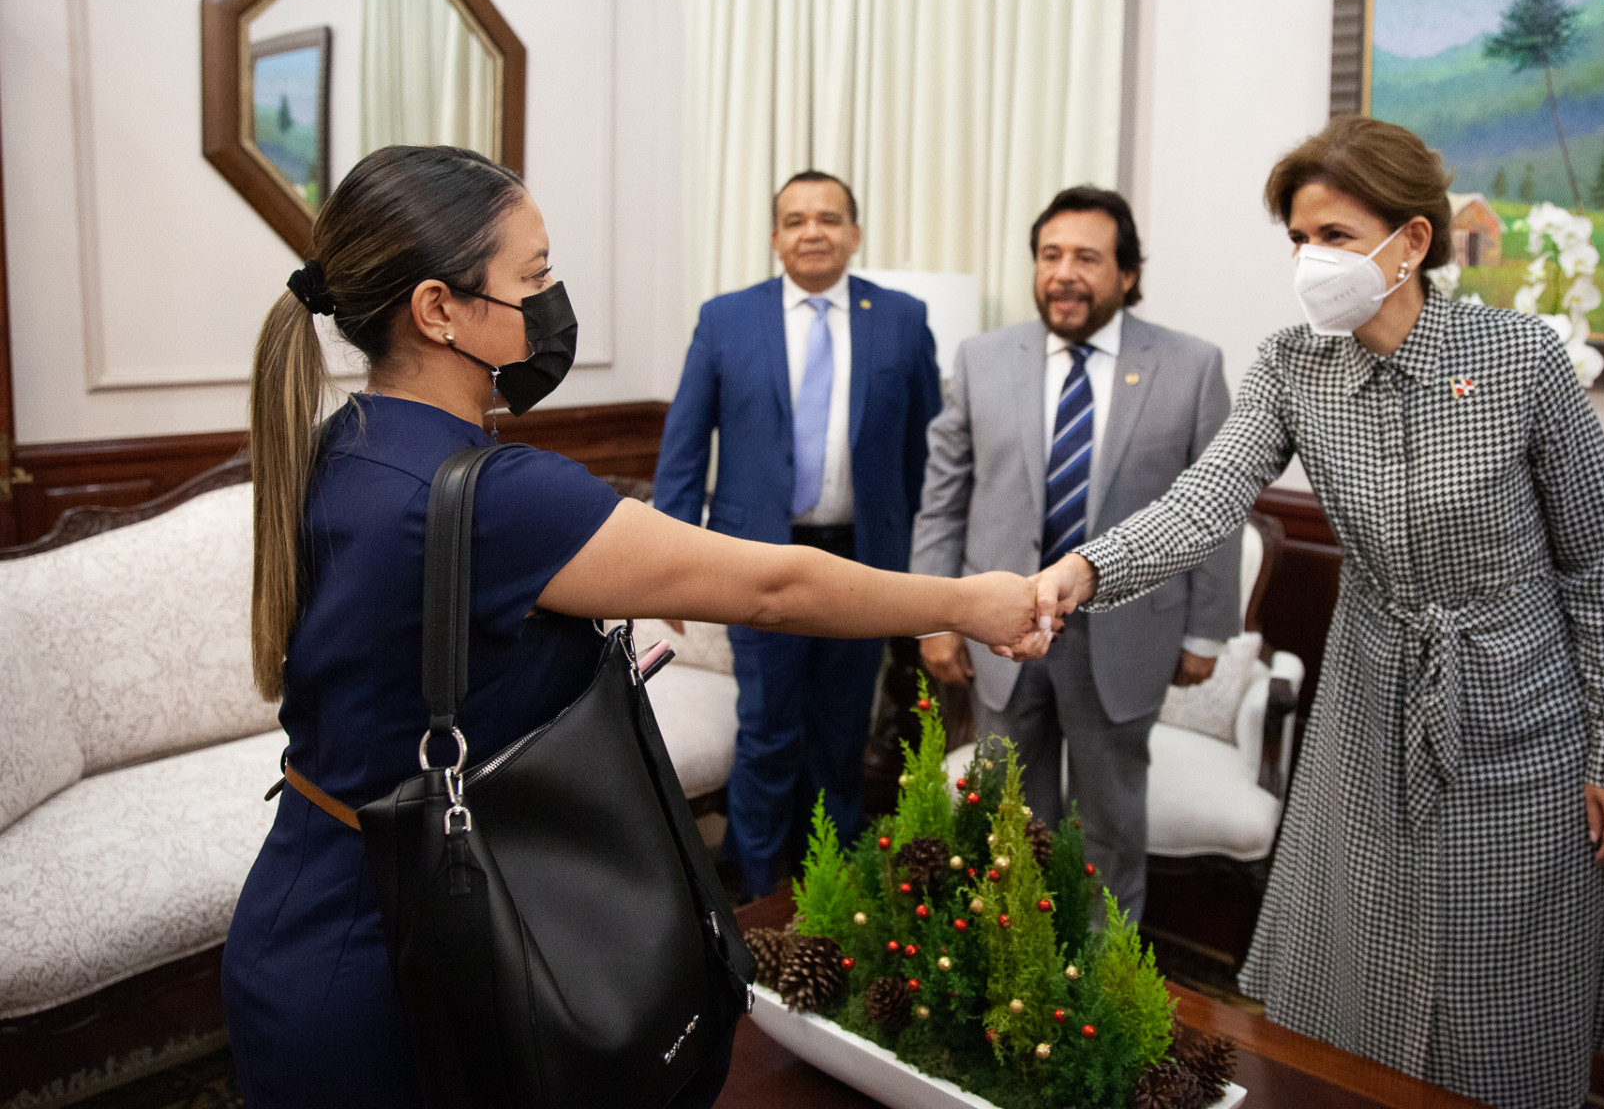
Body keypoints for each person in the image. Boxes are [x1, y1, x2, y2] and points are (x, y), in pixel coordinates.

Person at [222, 146, 1040, 1108]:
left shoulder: (348, 439)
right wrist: (966, 601)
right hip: (398, 963)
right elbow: (776, 588)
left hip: (312, 907)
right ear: (438, 309)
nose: (553, 300)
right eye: (535, 277)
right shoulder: (500, 497)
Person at [1029, 117, 1604, 1109]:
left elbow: (1595, 568)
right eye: (1298, 238)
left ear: (1411, 241)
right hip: (1369, 700)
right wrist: (1086, 569)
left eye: (1334, 235)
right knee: (1361, 956)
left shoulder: (1520, 359)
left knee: (1501, 976)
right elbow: (1205, 500)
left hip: (1520, 708)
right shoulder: (1293, 364)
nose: (1310, 259)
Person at [912, 185, 1239, 922]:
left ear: (1127, 273)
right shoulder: (980, 359)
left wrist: (1206, 632)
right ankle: (1020, 955)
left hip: (1126, 635)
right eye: (1050, 255)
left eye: (1087, 258)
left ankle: (1102, 969)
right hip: (1002, 633)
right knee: (1009, 821)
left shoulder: (1191, 367)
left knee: (1110, 826)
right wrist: (935, 616)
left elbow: (1218, 507)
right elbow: (944, 498)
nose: (1064, 273)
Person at [647, 170, 943, 900]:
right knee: (769, 733)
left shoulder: (902, 319)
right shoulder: (725, 319)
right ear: (776, 237)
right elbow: (684, 451)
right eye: (797, 219)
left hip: (864, 562)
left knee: (842, 736)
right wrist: (668, 572)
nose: (814, 231)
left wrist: (927, 571)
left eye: (830, 218)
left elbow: (926, 459)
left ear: (855, 233)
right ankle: (755, 898)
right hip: (758, 562)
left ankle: (832, 895)